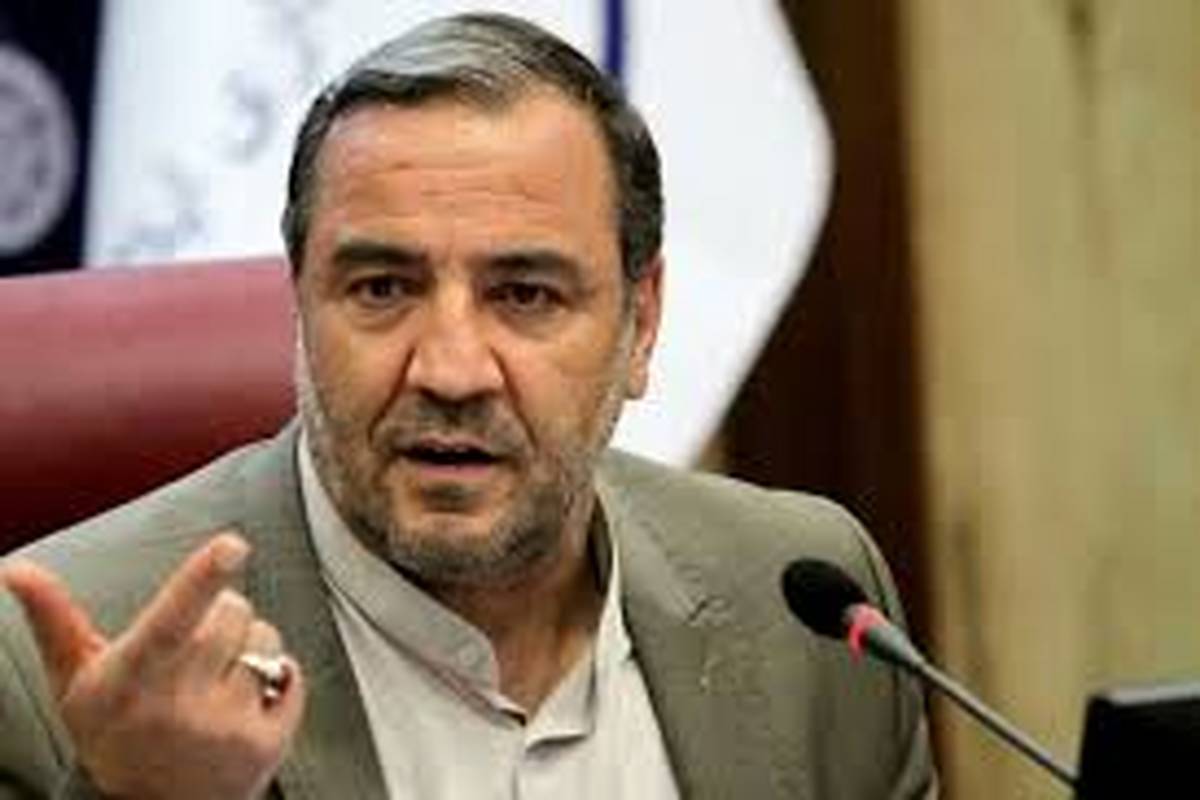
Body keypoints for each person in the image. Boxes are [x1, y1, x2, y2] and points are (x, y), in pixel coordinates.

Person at [0, 13, 936, 800]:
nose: (451, 370)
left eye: (525, 294)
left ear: (642, 324)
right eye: (382, 289)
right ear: (300, 306)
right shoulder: (49, 670)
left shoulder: (807, 608)